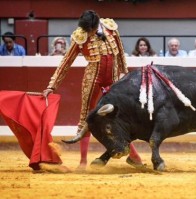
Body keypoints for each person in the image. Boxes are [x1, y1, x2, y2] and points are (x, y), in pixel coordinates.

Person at [42, 10, 143, 170]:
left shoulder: (110, 27)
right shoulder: (80, 35)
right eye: (87, 31)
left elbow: (120, 54)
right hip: (92, 79)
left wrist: (125, 74)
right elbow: (66, 62)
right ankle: (83, 161)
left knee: (119, 118)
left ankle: (134, 155)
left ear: (96, 25)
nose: (89, 33)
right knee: (86, 116)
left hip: (114, 79)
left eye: (91, 30)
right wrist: (51, 85)